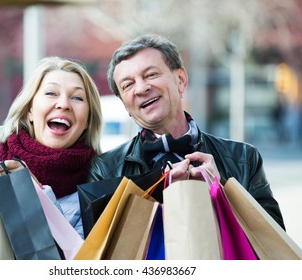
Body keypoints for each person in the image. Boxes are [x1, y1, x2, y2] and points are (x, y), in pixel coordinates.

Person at [87, 34, 285, 230]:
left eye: (151, 74)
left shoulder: (244, 158)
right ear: (125, 105)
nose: (141, 88)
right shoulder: (104, 170)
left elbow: (275, 246)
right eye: (128, 85)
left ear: (181, 80)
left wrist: (222, 192)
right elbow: (102, 255)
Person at [0, 56, 103, 237]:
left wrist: (33, 192)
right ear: (30, 111)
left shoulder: (98, 188)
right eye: (51, 93)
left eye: (77, 97)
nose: (64, 104)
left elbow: (78, 262)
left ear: (88, 120)